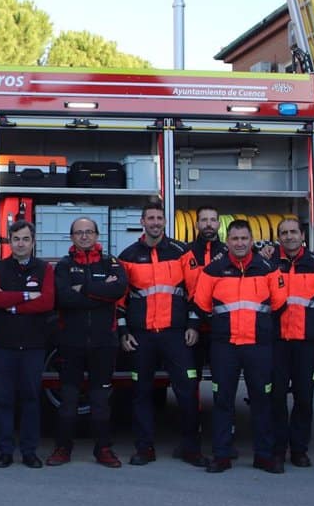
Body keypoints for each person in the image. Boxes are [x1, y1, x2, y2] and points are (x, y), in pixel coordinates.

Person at [194, 218, 287, 474]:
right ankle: (222, 455)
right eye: (234, 239)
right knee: (222, 401)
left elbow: (279, 304)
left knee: (262, 400)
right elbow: (202, 305)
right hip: (225, 346)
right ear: (227, 242)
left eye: (244, 238)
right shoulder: (213, 271)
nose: (239, 243)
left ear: (251, 240)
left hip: (258, 345)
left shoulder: (267, 268)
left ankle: (264, 455)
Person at [118, 199, 203, 467]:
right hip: (142, 336)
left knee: (187, 392)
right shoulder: (128, 255)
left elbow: (196, 290)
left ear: (165, 222)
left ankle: (190, 447)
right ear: (142, 222)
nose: (155, 223)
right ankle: (145, 448)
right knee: (141, 393)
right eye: (150, 218)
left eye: (159, 218)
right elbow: (120, 299)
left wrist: (192, 326)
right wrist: (123, 332)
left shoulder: (182, 252)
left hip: (175, 335)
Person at [46, 217, 127, 468]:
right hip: (71, 342)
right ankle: (62, 448)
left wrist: (84, 288)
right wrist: (101, 291)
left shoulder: (111, 263)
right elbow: (64, 298)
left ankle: (103, 449)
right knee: (69, 400)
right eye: (79, 233)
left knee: (100, 400)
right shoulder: (63, 267)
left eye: (88, 232)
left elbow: (119, 290)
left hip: (104, 342)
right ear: (71, 237)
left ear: (96, 235)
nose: (84, 237)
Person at [0, 219, 55, 468]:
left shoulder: (45, 269)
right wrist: (25, 297)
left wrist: (11, 305)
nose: (21, 243)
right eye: (16, 239)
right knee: (4, 400)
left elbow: (46, 302)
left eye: (26, 239)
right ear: (10, 242)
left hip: (34, 346)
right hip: (4, 345)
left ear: (33, 242)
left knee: (30, 399)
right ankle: (5, 451)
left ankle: (29, 452)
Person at [271, 218, 314, 467]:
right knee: (276, 398)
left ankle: (299, 449)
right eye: (284, 233)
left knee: (304, 398)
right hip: (276, 341)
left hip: (306, 342)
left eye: (293, 232)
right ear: (278, 238)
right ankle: (278, 448)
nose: (289, 237)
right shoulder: (269, 263)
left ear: (302, 235)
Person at [186, 205, 228, 454]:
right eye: (204, 220)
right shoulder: (185, 253)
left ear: (219, 223)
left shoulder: (228, 251)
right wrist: (190, 322)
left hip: (220, 330)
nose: (209, 224)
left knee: (223, 384)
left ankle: (223, 438)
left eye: (213, 219)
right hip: (193, 329)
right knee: (191, 384)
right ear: (197, 224)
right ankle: (193, 438)